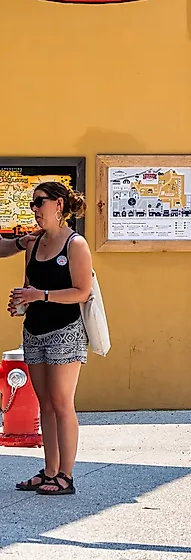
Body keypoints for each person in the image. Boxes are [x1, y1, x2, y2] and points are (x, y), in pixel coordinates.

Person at [4, 182, 92, 495]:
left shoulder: (75, 244)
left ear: (58, 205)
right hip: (35, 330)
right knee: (45, 403)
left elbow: (82, 291)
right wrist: (22, 303)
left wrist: (40, 294)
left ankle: (66, 475)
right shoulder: (33, 243)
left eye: (39, 202)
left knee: (62, 402)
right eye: (32, 204)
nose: (35, 210)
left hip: (65, 330)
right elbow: (30, 286)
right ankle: (50, 470)